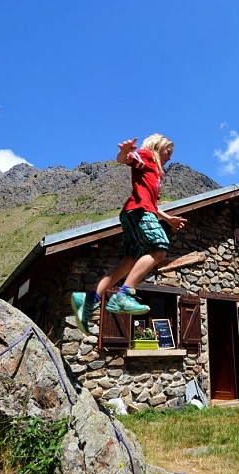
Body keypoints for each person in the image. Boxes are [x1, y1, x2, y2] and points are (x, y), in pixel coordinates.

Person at [71, 134, 187, 334]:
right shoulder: (147, 156)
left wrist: (168, 219)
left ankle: (90, 301)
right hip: (139, 212)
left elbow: (153, 204)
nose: (170, 157)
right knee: (160, 249)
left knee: (128, 262)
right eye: (169, 152)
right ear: (158, 147)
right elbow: (125, 160)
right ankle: (124, 294)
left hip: (136, 212)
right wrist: (124, 152)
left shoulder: (156, 174)